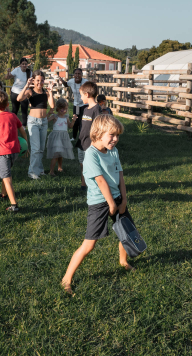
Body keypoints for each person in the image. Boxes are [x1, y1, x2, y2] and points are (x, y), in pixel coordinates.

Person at [61, 115, 133, 294]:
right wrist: (111, 204)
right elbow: (101, 181)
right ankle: (66, 278)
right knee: (89, 244)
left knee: (125, 232)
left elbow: (120, 176)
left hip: (116, 199)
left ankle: (123, 261)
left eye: (117, 135)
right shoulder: (90, 155)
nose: (115, 139)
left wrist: (123, 200)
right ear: (99, 133)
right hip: (100, 202)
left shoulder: (113, 151)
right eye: (112, 135)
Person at [0, 90, 28, 212]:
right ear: (8, 104)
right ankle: (3, 194)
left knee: (7, 177)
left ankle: (14, 205)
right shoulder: (13, 116)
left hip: (2, 152)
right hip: (15, 151)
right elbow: (22, 130)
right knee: (6, 173)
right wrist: (26, 143)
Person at [16, 71, 55, 180]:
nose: (40, 82)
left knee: (41, 148)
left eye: (42, 80)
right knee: (36, 148)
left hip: (44, 122)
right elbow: (19, 99)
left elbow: (52, 105)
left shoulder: (45, 93)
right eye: (38, 80)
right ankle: (32, 172)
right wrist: (26, 86)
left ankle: (39, 169)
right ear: (33, 80)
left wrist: (51, 92)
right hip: (33, 122)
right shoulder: (30, 91)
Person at [76, 81, 100, 190]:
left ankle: (93, 186)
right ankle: (83, 184)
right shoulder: (85, 109)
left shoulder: (96, 109)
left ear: (87, 94)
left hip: (91, 145)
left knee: (91, 166)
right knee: (82, 165)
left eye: (81, 95)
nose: (81, 98)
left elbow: (99, 128)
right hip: (82, 143)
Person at [46, 98, 75, 176]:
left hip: (64, 137)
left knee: (60, 154)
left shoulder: (66, 117)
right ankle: (51, 171)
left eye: (66, 109)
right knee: (56, 154)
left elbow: (70, 126)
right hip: (56, 137)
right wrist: (49, 113)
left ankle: (59, 167)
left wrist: (73, 121)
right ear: (58, 109)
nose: (65, 111)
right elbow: (45, 120)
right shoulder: (54, 116)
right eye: (62, 109)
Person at [58, 68, 87, 140]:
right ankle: (74, 137)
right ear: (73, 75)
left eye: (79, 74)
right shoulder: (71, 81)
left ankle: (81, 137)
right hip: (77, 105)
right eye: (76, 74)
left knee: (83, 121)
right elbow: (66, 84)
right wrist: (62, 81)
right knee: (75, 120)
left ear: (82, 75)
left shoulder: (86, 82)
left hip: (85, 105)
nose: (77, 75)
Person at [4, 58, 31, 127]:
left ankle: (24, 125)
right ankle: (12, 124)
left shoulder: (29, 72)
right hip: (15, 92)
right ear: (20, 65)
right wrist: (8, 72)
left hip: (24, 93)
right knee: (15, 109)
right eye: (23, 64)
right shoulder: (17, 70)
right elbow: (7, 77)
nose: (24, 65)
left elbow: (31, 82)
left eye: (25, 64)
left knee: (24, 110)